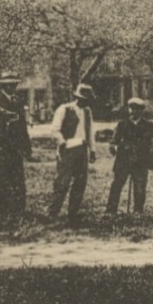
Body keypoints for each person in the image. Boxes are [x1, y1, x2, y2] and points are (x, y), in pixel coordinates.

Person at [105, 97, 153, 216]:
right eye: (131, 109)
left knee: (140, 187)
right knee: (116, 185)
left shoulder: (148, 125)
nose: (132, 112)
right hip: (123, 160)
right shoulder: (122, 124)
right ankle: (110, 211)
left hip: (141, 161)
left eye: (136, 109)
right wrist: (113, 148)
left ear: (141, 111)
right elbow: (114, 141)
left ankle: (138, 211)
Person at [47, 83, 95, 221]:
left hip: (82, 150)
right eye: (85, 99)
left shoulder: (87, 111)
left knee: (80, 182)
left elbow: (90, 131)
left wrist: (92, 150)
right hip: (68, 148)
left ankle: (73, 213)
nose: (86, 102)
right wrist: (62, 143)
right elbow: (54, 129)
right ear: (78, 98)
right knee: (62, 182)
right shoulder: (64, 109)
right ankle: (53, 212)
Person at [0, 71, 34, 223]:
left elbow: (23, 127)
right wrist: (5, 124)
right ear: (2, 86)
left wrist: (27, 147)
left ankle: (19, 210)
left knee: (18, 180)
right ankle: (5, 211)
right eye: (8, 85)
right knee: (3, 181)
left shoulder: (19, 102)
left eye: (14, 84)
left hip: (17, 148)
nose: (11, 87)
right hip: (3, 148)